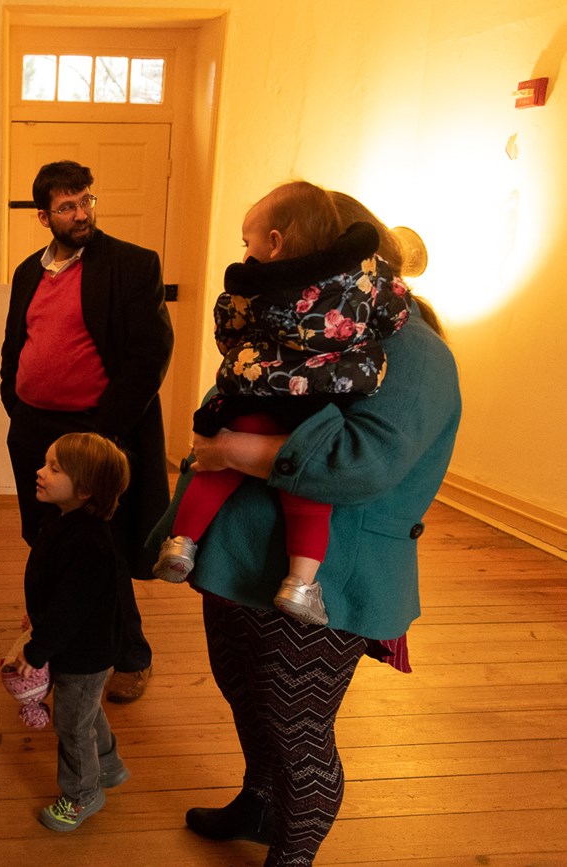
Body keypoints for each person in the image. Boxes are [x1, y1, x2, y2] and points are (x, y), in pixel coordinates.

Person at [151, 186, 461, 865]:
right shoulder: (296, 324)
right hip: (237, 560)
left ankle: (292, 855)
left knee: (297, 730)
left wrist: (234, 450)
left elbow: (362, 463)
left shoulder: (416, 353)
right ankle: (258, 804)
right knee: (247, 697)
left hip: (326, 578)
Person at [151, 182, 410, 626]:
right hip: (322, 401)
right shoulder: (366, 276)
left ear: (274, 242)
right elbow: (395, 312)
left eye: (247, 241)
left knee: (218, 463)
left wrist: (248, 349)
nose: (245, 250)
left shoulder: (249, 286)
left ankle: (181, 542)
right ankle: (300, 584)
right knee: (308, 492)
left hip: (257, 390)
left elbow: (227, 331)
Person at [0, 159, 174, 704]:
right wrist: (15, 398)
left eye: (87, 201)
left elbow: (150, 357)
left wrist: (102, 434)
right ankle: (51, 643)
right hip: (33, 428)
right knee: (45, 542)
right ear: (44, 216)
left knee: (102, 551)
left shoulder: (130, 265)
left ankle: (131, 655)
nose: (81, 213)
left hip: (91, 435)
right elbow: (15, 343)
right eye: (68, 206)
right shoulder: (29, 270)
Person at [13, 432, 134, 832]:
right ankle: (110, 765)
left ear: (84, 490)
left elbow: (72, 608)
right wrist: (39, 617)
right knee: (85, 710)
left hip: (83, 651)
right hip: (77, 645)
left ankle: (82, 796)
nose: (40, 472)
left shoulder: (89, 543)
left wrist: (37, 649)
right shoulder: (65, 520)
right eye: (46, 463)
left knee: (71, 724)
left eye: (54, 468)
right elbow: (58, 590)